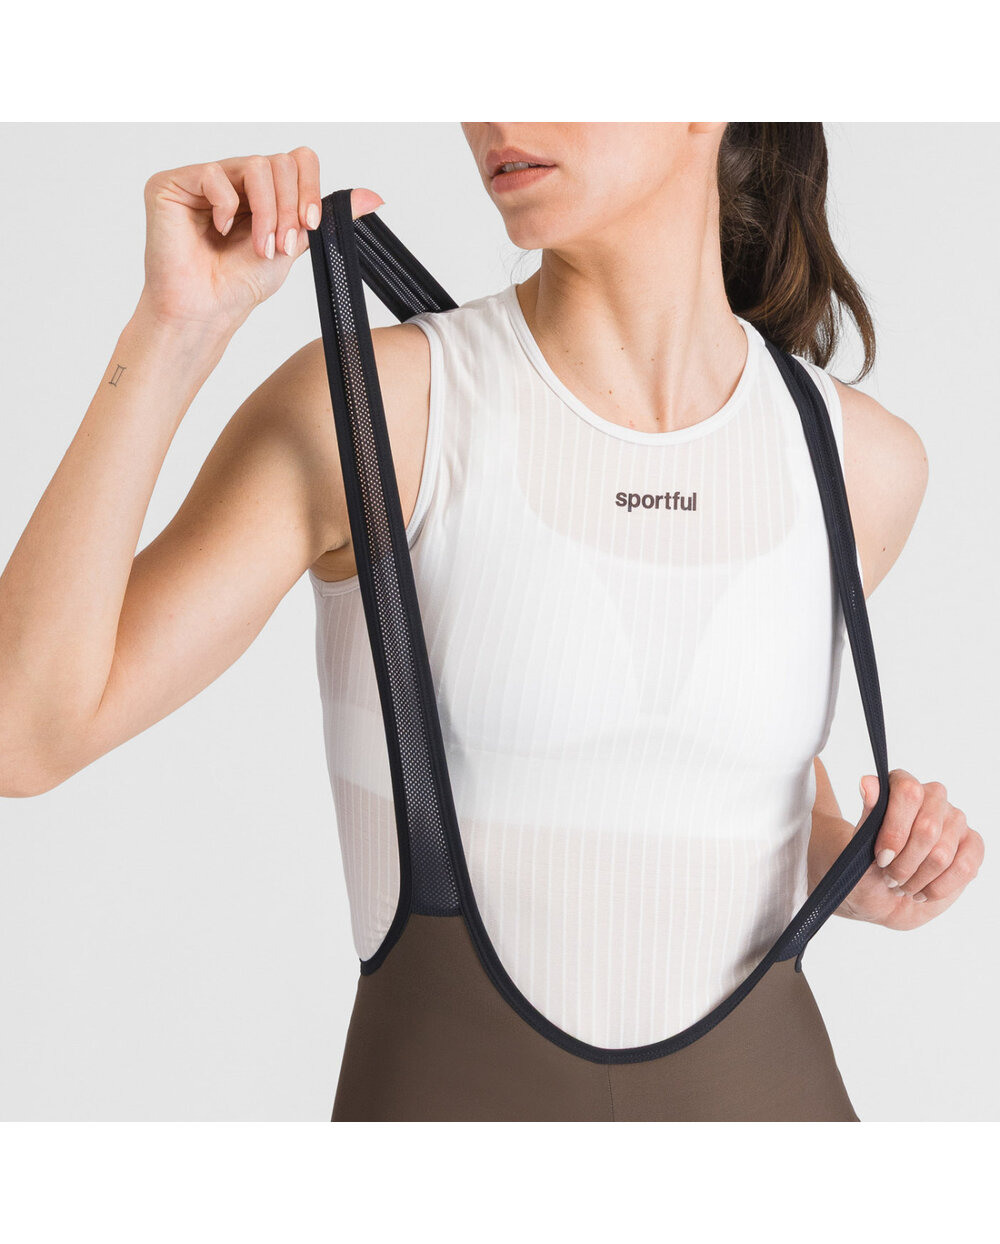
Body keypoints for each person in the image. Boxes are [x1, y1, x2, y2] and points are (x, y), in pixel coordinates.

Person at [0, 123, 984, 1121]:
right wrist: (172, 332)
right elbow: (22, 737)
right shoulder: (380, 412)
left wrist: (855, 854)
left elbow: (721, 778)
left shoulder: (856, 464)